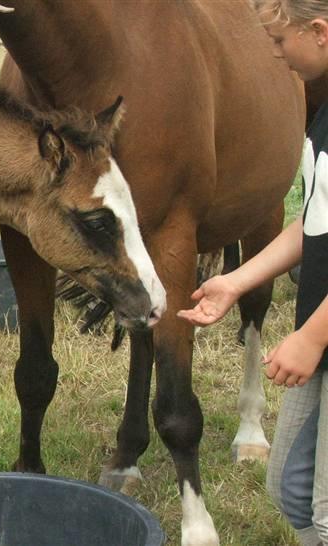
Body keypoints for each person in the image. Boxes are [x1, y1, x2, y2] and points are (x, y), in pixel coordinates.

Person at [178, 1, 328, 543]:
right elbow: (314, 222)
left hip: (319, 334)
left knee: (324, 505)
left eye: (280, 42)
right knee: (289, 487)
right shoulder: (322, 115)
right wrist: (236, 281)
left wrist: (310, 336)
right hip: (318, 337)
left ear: (319, 32)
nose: (274, 55)